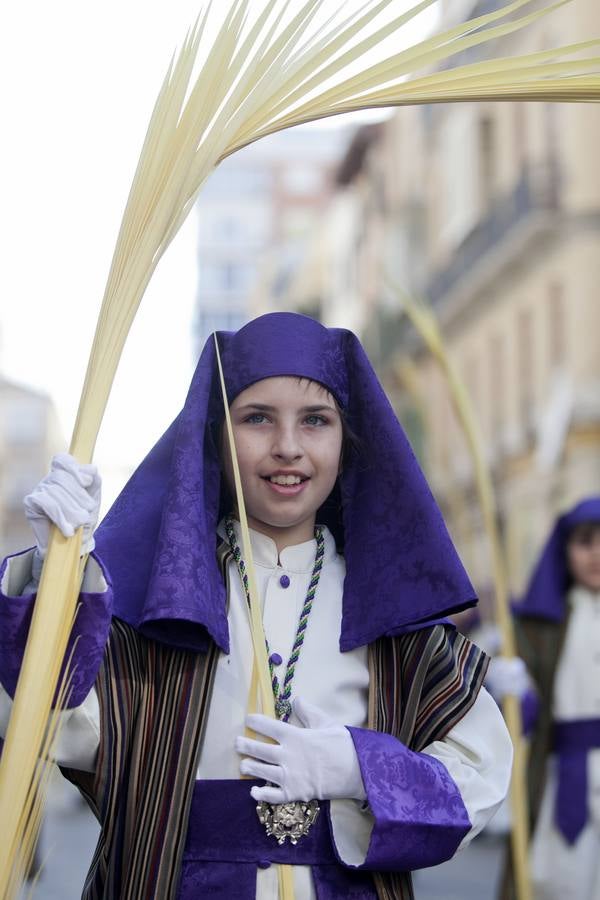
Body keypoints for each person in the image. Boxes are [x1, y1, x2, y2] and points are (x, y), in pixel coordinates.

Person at [0, 312, 512, 899]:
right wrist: (55, 572)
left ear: (347, 443)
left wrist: (361, 768)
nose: (288, 447)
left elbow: (482, 775)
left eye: (316, 420)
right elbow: (57, 727)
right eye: (257, 419)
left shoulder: (392, 618)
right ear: (218, 436)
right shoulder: (160, 608)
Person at [494, 498, 600, 900]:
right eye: (585, 542)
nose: (596, 554)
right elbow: (524, 715)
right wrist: (513, 689)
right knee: (555, 881)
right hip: (559, 778)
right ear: (565, 550)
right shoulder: (542, 626)